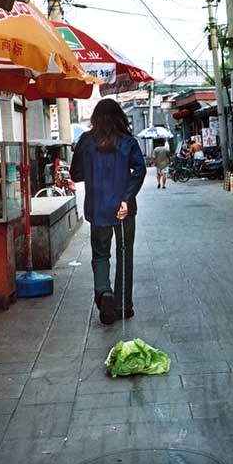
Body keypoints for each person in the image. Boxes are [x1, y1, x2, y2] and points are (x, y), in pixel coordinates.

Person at [71, 98, 146, 325]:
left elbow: (75, 174)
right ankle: (124, 306)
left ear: (95, 118)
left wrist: (94, 172)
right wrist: (125, 197)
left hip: (97, 208)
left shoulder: (85, 141)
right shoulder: (127, 141)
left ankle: (105, 293)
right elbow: (139, 170)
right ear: (119, 116)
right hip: (123, 209)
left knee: (101, 255)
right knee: (125, 254)